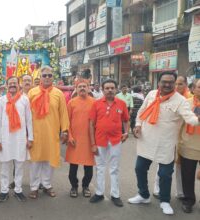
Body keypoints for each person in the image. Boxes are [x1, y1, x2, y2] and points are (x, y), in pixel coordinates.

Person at [129, 72, 200, 215]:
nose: (167, 85)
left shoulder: (180, 100)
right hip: (146, 140)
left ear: (174, 84)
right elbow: (142, 111)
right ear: (159, 82)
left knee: (165, 174)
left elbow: (190, 117)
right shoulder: (151, 94)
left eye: (170, 82)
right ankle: (143, 195)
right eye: (164, 82)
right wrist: (137, 125)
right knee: (139, 168)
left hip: (166, 144)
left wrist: (197, 120)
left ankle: (165, 201)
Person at [28, 66, 69, 199]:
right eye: (44, 75)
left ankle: (46, 185)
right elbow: (26, 114)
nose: (47, 78)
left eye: (49, 75)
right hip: (35, 133)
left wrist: (65, 130)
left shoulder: (58, 93)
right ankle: (34, 187)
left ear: (53, 77)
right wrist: (27, 133)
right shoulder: (32, 92)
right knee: (35, 161)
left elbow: (63, 113)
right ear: (40, 77)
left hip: (52, 132)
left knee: (49, 161)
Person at [89, 79, 129, 207]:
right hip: (99, 140)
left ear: (116, 89)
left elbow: (126, 120)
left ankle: (115, 195)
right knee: (100, 167)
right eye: (107, 88)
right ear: (102, 89)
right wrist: (92, 143)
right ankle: (99, 193)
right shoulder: (96, 104)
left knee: (114, 168)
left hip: (116, 140)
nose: (110, 90)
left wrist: (126, 132)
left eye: (112, 88)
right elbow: (91, 124)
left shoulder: (122, 104)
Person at [0, 76, 33, 202]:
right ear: (6, 86)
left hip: (20, 139)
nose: (12, 85)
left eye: (14, 83)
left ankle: (18, 190)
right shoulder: (1, 100)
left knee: (19, 166)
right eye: (10, 83)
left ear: (19, 85)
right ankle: (4, 190)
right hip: (5, 138)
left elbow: (29, 121)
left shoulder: (24, 100)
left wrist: (30, 138)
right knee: (5, 166)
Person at [66, 79, 95, 198]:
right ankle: (74, 186)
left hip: (89, 140)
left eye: (85, 86)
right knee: (73, 167)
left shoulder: (94, 102)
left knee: (89, 167)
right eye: (80, 87)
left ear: (88, 88)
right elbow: (66, 121)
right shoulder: (71, 103)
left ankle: (85, 186)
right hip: (74, 140)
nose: (82, 88)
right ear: (76, 89)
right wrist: (70, 136)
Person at [179, 79, 200, 213]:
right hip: (188, 146)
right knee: (187, 175)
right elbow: (178, 126)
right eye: (199, 87)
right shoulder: (186, 104)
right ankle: (188, 200)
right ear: (193, 89)